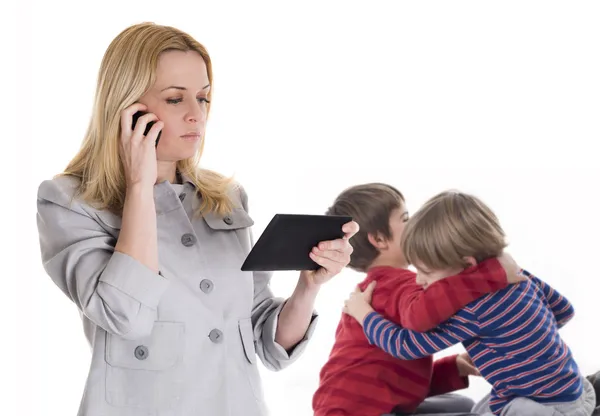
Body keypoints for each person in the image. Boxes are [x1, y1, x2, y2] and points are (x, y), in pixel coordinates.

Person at [35, 22, 357, 416]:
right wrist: (140, 185)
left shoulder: (225, 198)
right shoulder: (70, 202)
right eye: (174, 99)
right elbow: (124, 314)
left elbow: (265, 340)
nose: (196, 115)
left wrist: (308, 286)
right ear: (127, 108)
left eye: (203, 99)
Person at [344, 190, 596, 416]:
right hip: (569, 390)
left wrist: (364, 314)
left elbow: (405, 346)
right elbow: (563, 310)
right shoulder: (517, 275)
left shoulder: (471, 309)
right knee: (482, 407)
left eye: (427, 272)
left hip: (540, 407)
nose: (418, 280)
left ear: (467, 265)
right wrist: (520, 341)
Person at [312, 183, 526, 416]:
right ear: (380, 239)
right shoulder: (395, 285)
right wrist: (490, 273)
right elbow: (426, 312)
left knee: (463, 405)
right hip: (359, 411)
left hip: (355, 405)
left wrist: (452, 368)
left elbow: (392, 376)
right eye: (406, 218)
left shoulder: (378, 288)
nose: (415, 224)